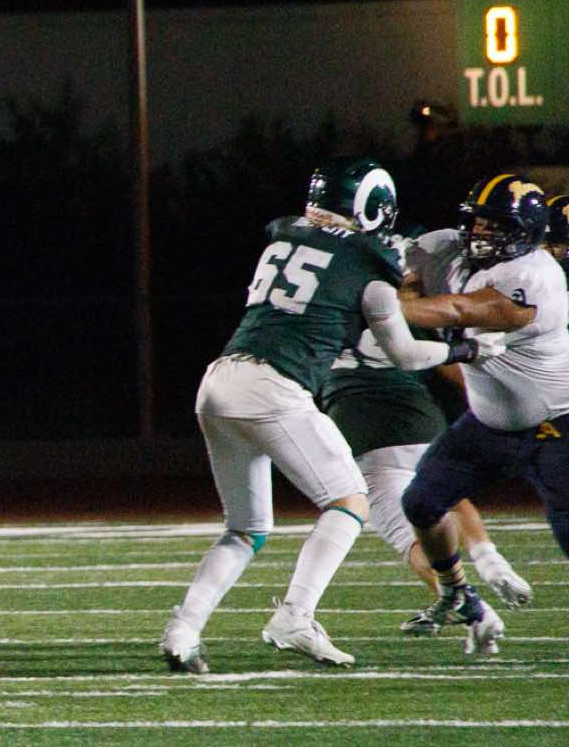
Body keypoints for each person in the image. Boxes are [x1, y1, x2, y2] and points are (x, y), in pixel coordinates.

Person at [158, 158, 498, 674]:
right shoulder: (369, 263)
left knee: (245, 529)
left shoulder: (285, 238)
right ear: (374, 208)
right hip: (275, 387)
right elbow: (405, 354)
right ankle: (295, 615)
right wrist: (466, 351)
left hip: (219, 381)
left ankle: (183, 633)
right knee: (348, 501)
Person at [317, 234, 532, 653]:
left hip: (365, 425)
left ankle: (475, 609)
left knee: (411, 538)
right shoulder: (412, 315)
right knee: (441, 493)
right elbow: (457, 372)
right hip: (419, 414)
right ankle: (490, 560)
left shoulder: (336, 301)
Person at [400, 172, 569, 646]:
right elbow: (398, 261)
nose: (481, 234)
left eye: (497, 227)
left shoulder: (535, 277)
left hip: (555, 425)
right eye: (478, 222)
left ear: (528, 234)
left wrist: (393, 300)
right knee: (420, 502)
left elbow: (455, 311)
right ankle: (455, 592)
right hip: (488, 425)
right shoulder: (445, 248)